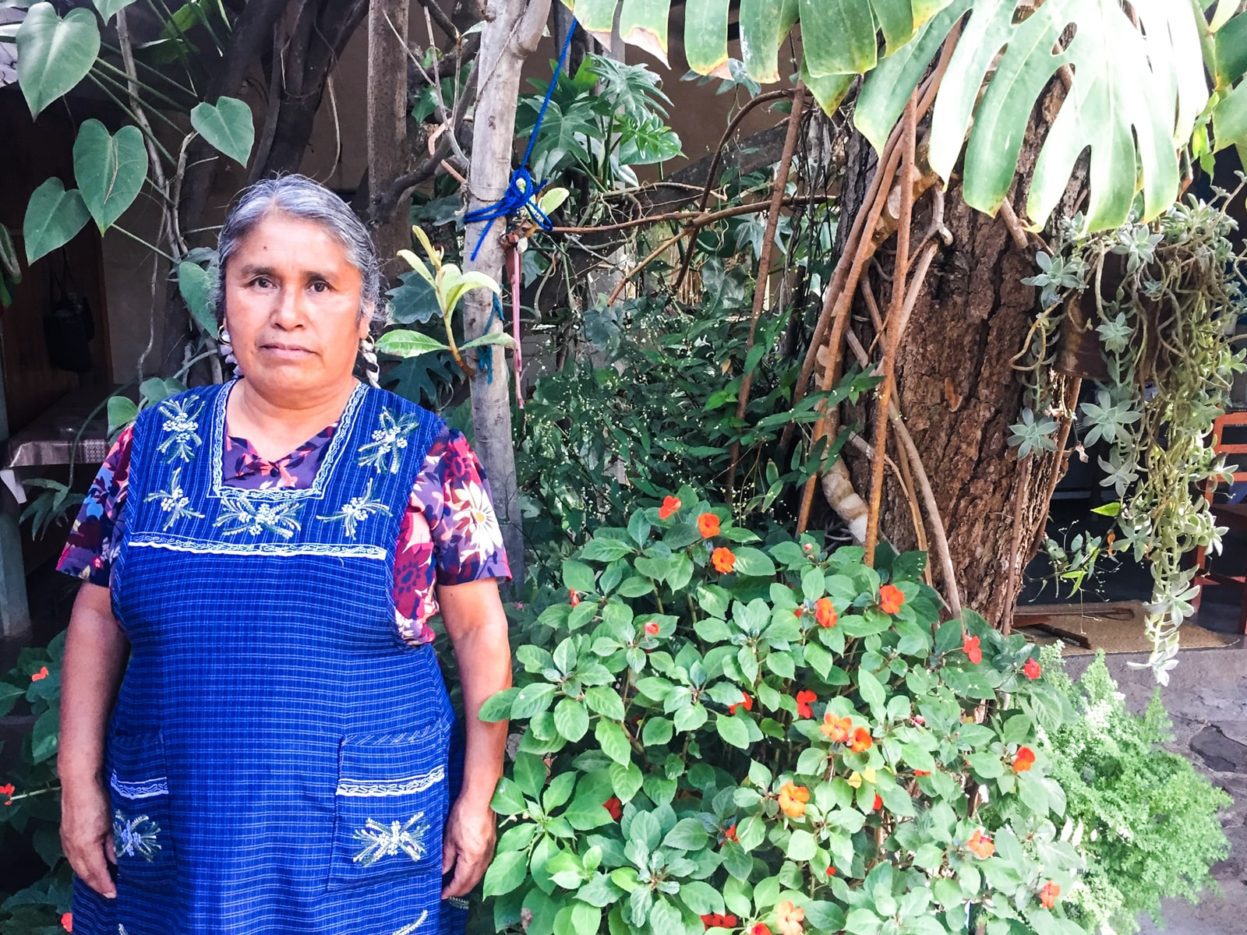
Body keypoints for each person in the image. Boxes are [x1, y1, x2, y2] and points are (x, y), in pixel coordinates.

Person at [55, 175, 512, 934]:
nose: (287, 313)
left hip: (358, 847)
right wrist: (77, 781)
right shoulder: (152, 443)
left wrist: (476, 797)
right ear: (221, 299)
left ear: (365, 310)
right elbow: (98, 618)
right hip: (178, 831)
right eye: (259, 280)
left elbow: (479, 631)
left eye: (320, 285)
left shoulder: (429, 456)